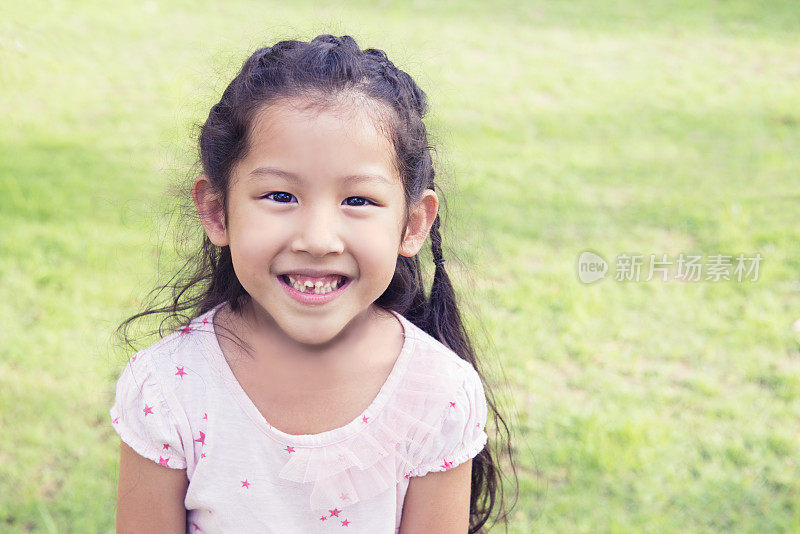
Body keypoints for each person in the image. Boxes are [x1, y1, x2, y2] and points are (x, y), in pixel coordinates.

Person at [111, 34, 516, 533]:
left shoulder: (437, 394)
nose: (319, 239)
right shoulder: (170, 388)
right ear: (217, 211)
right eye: (280, 195)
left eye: (359, 201)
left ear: (412, 224)